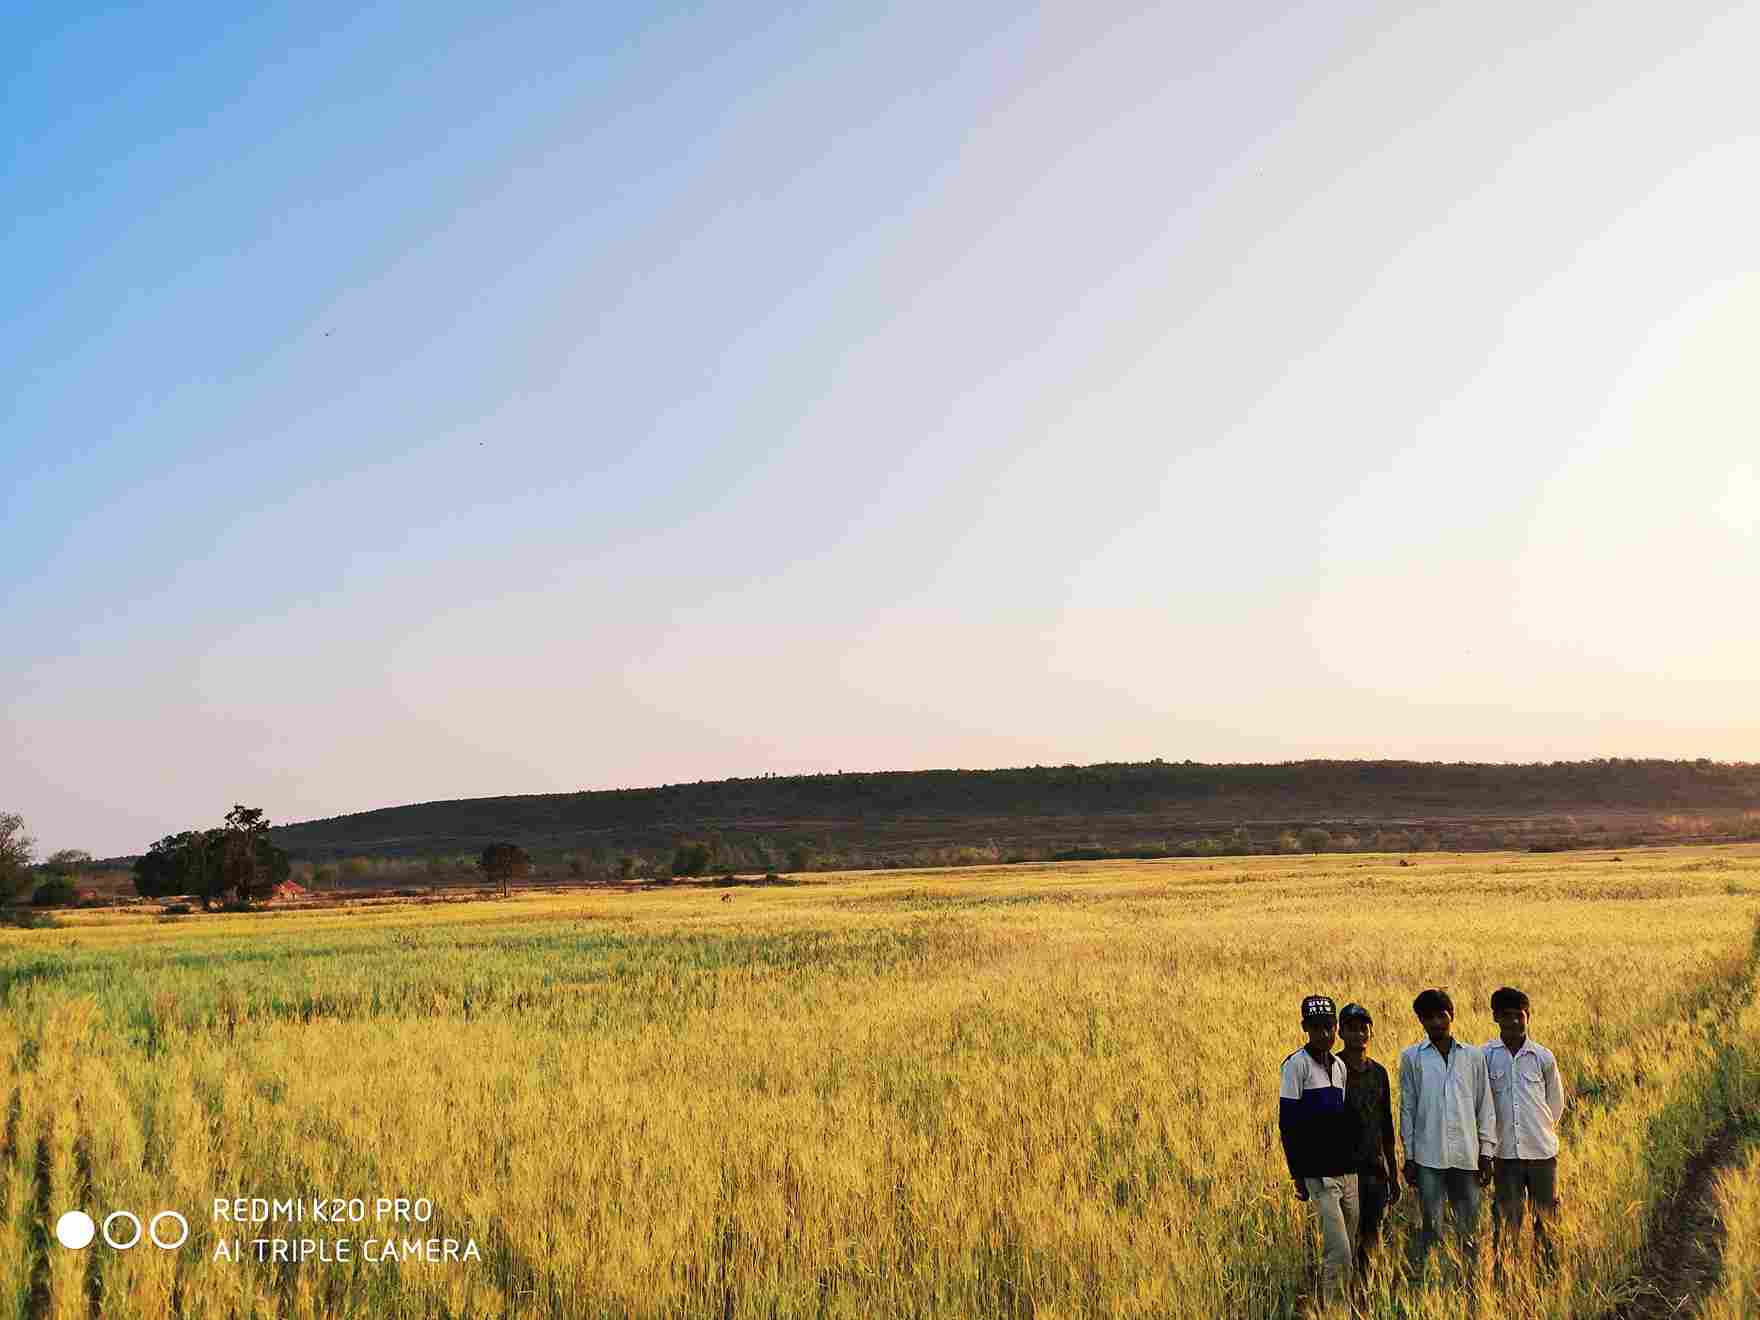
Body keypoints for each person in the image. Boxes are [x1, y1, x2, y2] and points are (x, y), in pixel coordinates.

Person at [1398, 988, 1496, 1287]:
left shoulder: (1473, 1056)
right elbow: (1408, 1107)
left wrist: (1487, 1152)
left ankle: (1470, 1283)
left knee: (1468, 1227)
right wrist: (1410, 1156)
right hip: (1428, 1158)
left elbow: (1484, 1104)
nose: (1436, 1022)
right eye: (1428, 1018)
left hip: (1467, 1156)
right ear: (1421, 1021)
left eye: (1441, 1015)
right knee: (1432, 1227)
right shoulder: (1412, 1057)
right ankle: (1435, 1285)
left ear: (1451, 1015)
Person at [1279, 994, 1360, 1311]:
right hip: (1319, 1172)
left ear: (1336, 1027)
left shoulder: (1340, 1066)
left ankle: (1343, 1305)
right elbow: (1288, 1125)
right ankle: (1333, 1310)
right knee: (1337, 1249)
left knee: (1348, 1247)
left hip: (1347, 1169)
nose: (1324, 1034)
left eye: (1328, 1026)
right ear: (1305, 1028)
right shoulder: (1295, 1066)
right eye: (1316, 1028)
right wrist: (1297, 1174)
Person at [1484, 986, 1565, 1276]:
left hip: (1542, 1153)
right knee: (1507, 1222)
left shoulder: (1543, 1057)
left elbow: (1555, 1104)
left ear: (1528, 1016)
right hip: (1505, 1156)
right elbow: (1483, 1105)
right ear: (1495, 1017)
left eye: (1520, 1016)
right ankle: (1506, 1278)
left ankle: (1547, 1275)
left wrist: (1539, 1131)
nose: (1514, 1023)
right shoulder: (1486, 1057)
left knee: (1548, 1218)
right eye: (1507, 1016)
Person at [1337, 1003, 1400, 1280]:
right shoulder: (1332, 1069)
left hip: (1375, 1170)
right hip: (1344, 1170)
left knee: (1371, 1238)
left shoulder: (1379, 1073)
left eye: (1363, 1028)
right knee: (1345, 1241)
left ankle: (1366, 1293)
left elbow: (1386, 1124)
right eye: (1351, 1028)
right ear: (1340, 1032)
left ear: (1371, 1032)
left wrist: (1393, 1173)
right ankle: (1344, 1295)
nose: (1358, 1034)